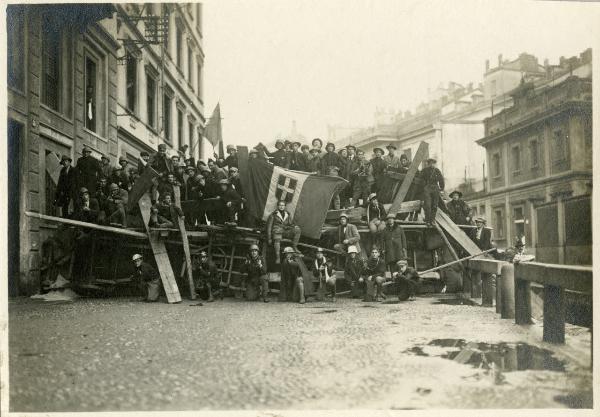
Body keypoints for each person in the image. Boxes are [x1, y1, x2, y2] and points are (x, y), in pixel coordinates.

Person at [266, 200, 301, 264]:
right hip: (277, 231)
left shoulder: (287, 214)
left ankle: (294, 247)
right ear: (278, 206)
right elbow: (269, 227)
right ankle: (278, 257)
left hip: (285, 231)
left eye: (283, 205)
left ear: (285, 206)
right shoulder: (273, 215)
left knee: (298, 230)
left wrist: (295, 226)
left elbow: (291, 224)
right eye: (280, 205)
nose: (281, 206)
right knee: (277, 238)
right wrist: (269, 238)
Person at [421, 158, 445, 226]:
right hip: (427, 187)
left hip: (435, 187)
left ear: (434, 164)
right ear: (428, 164)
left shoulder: (437, 170)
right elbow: (421, 179)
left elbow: (441, 179)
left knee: (435, 205)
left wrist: (442, 188)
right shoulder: (424, 170)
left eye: (433, 163)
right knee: (427, 205)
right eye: (430, 163)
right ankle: (427, 220)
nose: (432, 164)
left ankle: (432, 219)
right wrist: (424, 186)